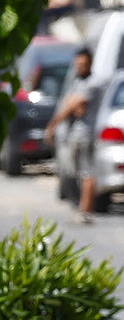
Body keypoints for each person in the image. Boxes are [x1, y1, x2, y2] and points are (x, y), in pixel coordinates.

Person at [44, 48, 100, 223]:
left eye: (83, 64)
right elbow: (71, 104)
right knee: (76, 172)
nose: (80, 67)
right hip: (74, 134)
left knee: (87, 172)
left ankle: (85, 211)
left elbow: (73, 105)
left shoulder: (93, 83)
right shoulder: (77, 82)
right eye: (78, 64)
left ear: (90, 64)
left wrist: (52, 125)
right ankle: (81, 207)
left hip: (86, 134)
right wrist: (73, 105)